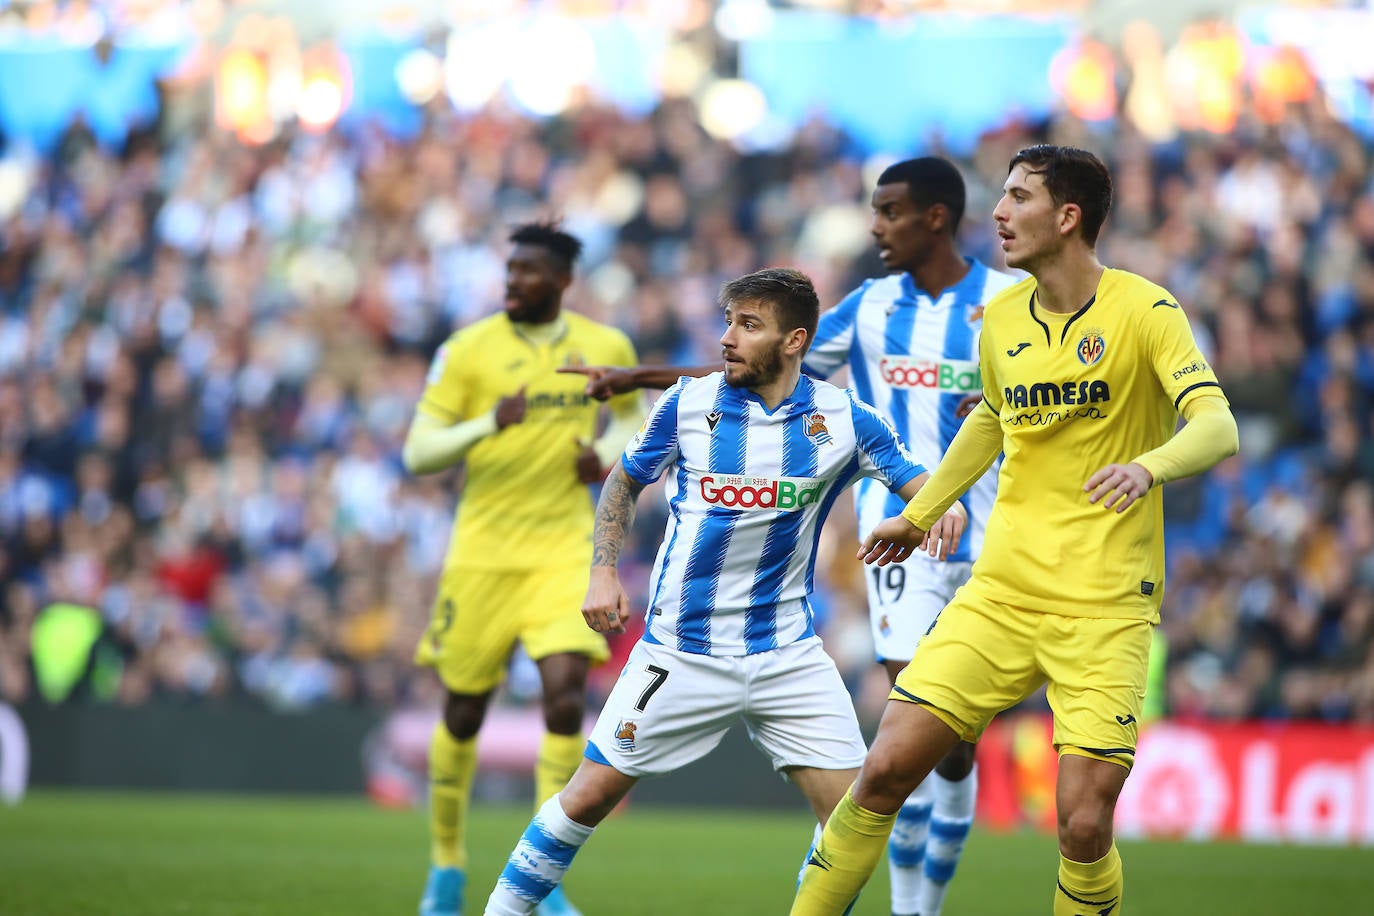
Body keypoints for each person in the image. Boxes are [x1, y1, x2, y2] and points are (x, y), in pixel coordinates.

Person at [790, 145, 1240, 915]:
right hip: (1001, 592)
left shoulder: (1146, 310)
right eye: (1000, 197)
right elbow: (992, 422)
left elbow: (1217, 425)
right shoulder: (1001, 318)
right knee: (886, 770)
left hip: (1103, 607)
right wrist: (916, 515)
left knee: (1083, 822)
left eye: (1018, 197)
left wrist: (1149, 467)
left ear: (1067, 218)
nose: (997, 213)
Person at [564, 157, 1017, 916]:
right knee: (912, 724)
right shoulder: (870, 307)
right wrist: (645, 378)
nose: (875, 226)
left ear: (934, 217)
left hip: (994, 535)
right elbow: (762, 359)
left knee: (957, 742)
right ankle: (912, 910)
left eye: (890, 211)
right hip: (897, 538)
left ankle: (922, 881)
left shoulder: (1009, 305)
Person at [482, 267, 967, 916]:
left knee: (853, 821)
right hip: (680, 650)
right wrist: (602, 570)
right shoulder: (689, 404)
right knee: (589, 795)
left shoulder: (845, 420)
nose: (728, 339)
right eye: (728, 322)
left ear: (794, 340)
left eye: (748, 325)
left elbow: (923, 485)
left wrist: (936, 509)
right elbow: (624, 481)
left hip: (786, 656)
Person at [404, 221, 645, 916]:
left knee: (567, 693)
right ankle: (446, 865)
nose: (514, 282)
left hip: (565, 550)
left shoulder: (605, 347)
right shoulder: (467, 350)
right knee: (462, 711)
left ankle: (542, 877)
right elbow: (418, 451)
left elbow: (638, 421)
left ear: (563, 280)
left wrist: (603, 460)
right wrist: (488, 423)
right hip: (480, 556)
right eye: (510, 271)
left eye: (529, 271)